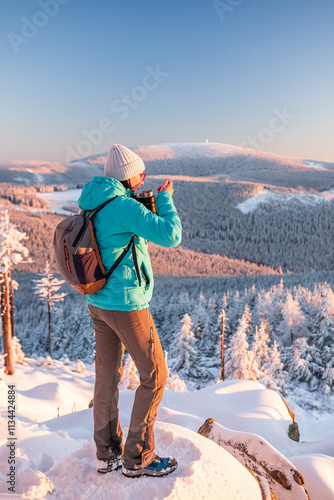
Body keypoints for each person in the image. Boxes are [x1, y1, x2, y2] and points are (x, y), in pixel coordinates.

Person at [77, 144, 182, 477]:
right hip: (126, 306)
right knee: (155, 376)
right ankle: (139, 458)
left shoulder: (94, 201)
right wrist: (164, 199)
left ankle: (106, 454)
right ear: (127, 175)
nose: (145, 176)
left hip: (98, 304)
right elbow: (171, 235)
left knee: (107, 378)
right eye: (141, 171)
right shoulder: (122, 206)